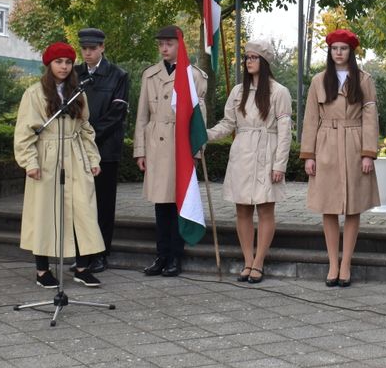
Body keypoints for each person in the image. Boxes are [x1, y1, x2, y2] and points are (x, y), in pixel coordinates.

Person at [14, 42, 105, 288]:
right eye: (58, 62)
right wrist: (29, 162)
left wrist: (92, 158)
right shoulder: (34, 93)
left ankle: (82, 267)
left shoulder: (79, 92)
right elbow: (24, 132)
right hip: (46, 157)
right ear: (49, 64)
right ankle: (42, 270)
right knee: (43, 212)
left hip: (75, 155)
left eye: (67, 62)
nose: (63, 67)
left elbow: (85, 128)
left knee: (84, 211)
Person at [207, 40, 292, 284]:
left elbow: (285, 132)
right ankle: (247, 260)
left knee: (265, 208)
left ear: (264, 62)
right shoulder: (237, 92)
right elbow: (228, 124)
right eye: (247, 57)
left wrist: (280, 165)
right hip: (242, 153)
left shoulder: (279, 92)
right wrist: (206, 135)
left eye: (254, 57)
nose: (249, 61)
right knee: (242, 209)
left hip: (268, 152)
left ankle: (259, 262)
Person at [299, 29, 379, 287]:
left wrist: (368, 153)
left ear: (351, 52)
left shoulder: (364, 80)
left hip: (354, 143)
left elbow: (370, 119)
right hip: (326, 146)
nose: (339, 53)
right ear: (330, 52)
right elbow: (310, 120)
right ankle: (333, 262)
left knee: (353, 206)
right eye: (335, 49)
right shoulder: (319, 81)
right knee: (329, 206)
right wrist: (309, 155)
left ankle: (347, 264)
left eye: (343, 48)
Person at [134, 25, 208, 278]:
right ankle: (161, 255)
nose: (164, 48)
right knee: (160, 205)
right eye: (161, 44)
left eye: (169, 44)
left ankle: (175, 256)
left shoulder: (193, 75)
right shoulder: (150, 75)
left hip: (180, 145)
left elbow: (200, 117)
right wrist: (140, 151)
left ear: (180, 45)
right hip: (156, 144)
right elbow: (141, 115)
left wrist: (197, 152)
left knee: (179, 202)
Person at [75, 27, 130, 273]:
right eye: (84, 49)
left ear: (102, 48)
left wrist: (89, 135)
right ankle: (81, 254)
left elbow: (117, 114)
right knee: (79, 203)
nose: (87, 53)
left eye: (92, 49)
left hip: (105, 150)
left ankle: (100, 254)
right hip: (76, 149)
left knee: (103, 205)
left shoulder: (118, 75)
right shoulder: (73, 74)